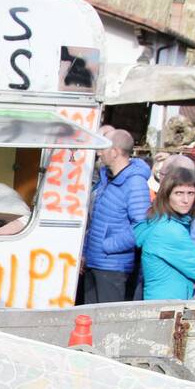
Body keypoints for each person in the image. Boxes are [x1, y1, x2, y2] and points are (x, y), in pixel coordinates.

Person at [80, 129, 150, 303]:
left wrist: (108, 245)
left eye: (103, 148)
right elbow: (96, 220)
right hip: (94, 261)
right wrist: (86, 252)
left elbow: (142, 227)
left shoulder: (135, 183)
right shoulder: (106, 179)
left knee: (104, 321)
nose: (99, 152)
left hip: (113, 267)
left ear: (115, 152)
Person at [134, 167, 195, 301]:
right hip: (166, 306)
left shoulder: (162, 220)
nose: (186, 200)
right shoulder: (170, 230)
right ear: (167, 194)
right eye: (179, 193)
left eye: (191, 193)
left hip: (164, 302)